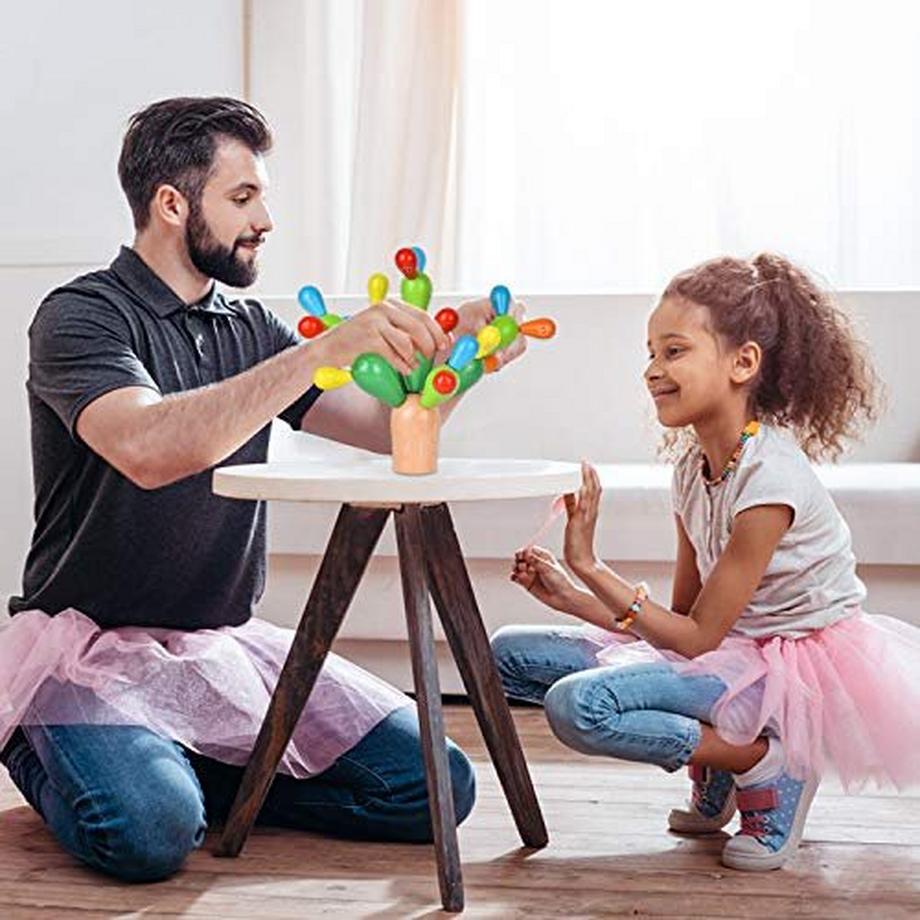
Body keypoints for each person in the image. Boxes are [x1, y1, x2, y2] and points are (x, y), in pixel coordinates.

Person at [0, 96, 524, 882]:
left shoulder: (253, 328)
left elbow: (382, 428)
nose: (265, 221)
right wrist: (327, 348)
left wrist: (460, 359)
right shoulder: (81, 317)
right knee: (147, 833)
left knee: (438, 787)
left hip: (219, 646)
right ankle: (46, 740)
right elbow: (149, 448)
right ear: (172, 205)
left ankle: (193, 770)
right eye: (243, 199)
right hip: (86, 647)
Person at [493, 253, 920, 871]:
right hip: (721, 650)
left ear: (743, 363)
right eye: (649, 353)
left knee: (576, 707)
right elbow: (682, 618)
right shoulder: (692, 470)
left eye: (673, 351)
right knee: (509, 654)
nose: (651, 370)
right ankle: (718, 757)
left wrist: (590, 566)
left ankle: (763, 762)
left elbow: (696, 638)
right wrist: (571, 596)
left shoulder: (769, 481)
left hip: (782, 664)